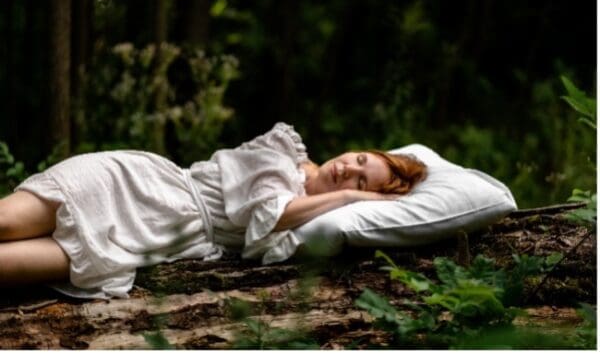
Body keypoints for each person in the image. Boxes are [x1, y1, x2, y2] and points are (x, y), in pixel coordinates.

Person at [0, 123, 426, 298]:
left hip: (150, 237)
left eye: (360, 181)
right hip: (134, 184)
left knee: (11, 266)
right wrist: (352, 198)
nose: (347, 171)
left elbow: (272, 237)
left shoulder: (316, 215)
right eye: (360, 162)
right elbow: (268, 217)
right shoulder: (282, 150)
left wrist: (349, 204)